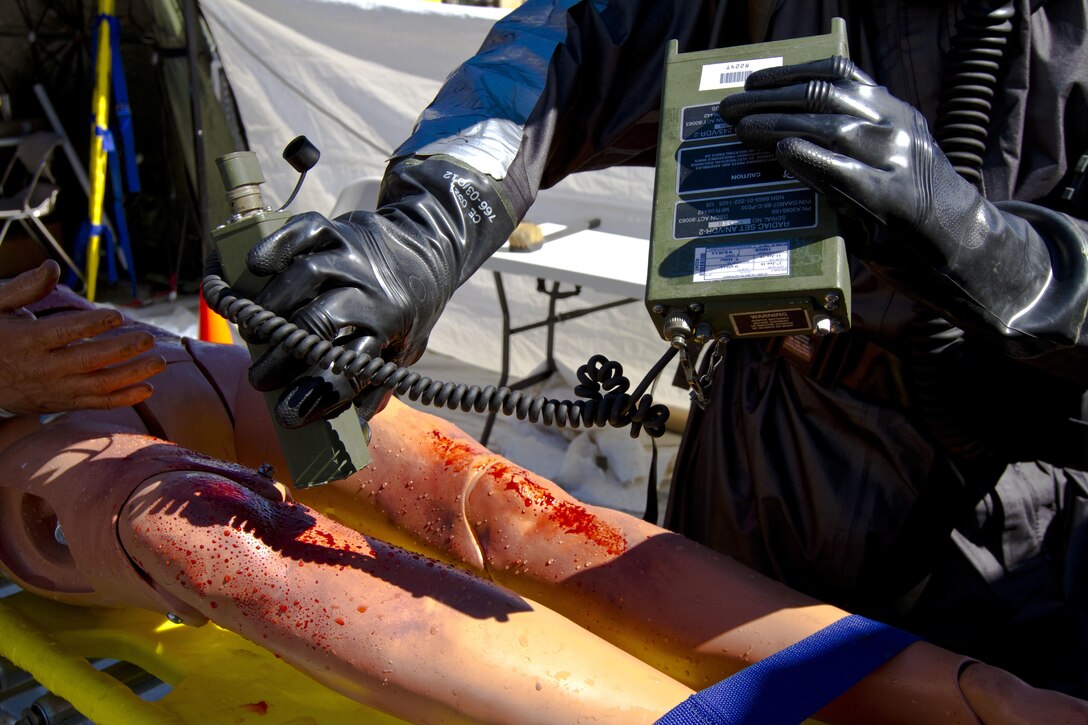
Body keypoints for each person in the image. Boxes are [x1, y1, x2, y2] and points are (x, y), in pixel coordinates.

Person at [235, 0, 1088, 697]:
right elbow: (561, 47)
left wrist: (989, 250)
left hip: (1004, 521)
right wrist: (423, 230)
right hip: (766, 465)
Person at [2, 269, 1086, 723]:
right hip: (44, 454)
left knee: (508, 507)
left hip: (136, 357)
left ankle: (973, 693)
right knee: (226, 533)